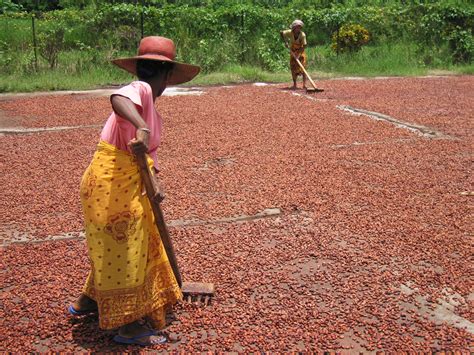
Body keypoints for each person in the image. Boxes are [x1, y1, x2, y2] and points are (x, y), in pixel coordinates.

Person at [68, 36, 200, 346]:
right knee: (128, 247)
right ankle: (129, 324)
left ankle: (89, 300)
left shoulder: (149, 100)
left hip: (113, 181)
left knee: (121, 244)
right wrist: (141, 125)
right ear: (166, 75)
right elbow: (118, 98)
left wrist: (153, 180)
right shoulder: (140, 90)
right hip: (112, 186)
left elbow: (141, 156)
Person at [280, 20, 308, 90]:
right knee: (293, 67)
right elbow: (281, 33)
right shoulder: (290, 32)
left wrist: (298, 54)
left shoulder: (302, 35)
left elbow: (304, 46)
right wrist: (286, 42)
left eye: (299, 27)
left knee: (303, 68)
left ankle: (304, 85)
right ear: (293, 28)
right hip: (292, 51)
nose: (298, 29)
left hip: (300, 51)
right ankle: (295, 84)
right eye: (296, 27)